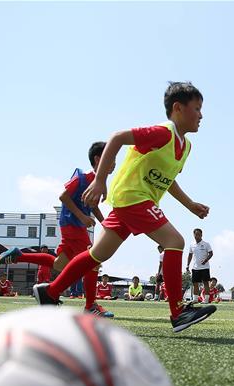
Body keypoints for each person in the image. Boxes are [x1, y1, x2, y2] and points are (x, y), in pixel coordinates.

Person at [32, 81, 216, 333]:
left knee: (97, 254)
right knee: (175, 241)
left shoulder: (185, 147)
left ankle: (50, 293)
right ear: (178, 108)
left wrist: (190, 204)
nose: (201, 115)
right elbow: (117, 138)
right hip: (133, 197)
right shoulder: (163, 133)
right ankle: (178, 312)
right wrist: (99, 181)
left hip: (130, 202)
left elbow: (169, 179)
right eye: (197, 108)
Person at [0, 142, 114, 318]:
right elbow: (63, 196)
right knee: (93, 261)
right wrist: (82, 217)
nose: (114, 164)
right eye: (111, 158)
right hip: (72, 225)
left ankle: (19, 255)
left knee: (60, 264)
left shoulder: (96, 182)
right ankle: (90, 305)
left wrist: (106, 223)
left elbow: (93, 206)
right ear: (98, 159)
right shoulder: (85, 178)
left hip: (72, 226)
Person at [186, 228, 213, 301]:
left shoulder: (206, 244)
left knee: (205, 283)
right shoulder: (192, 245)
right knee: (195, 283)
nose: (196, 236)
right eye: (195, 234)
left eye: (198, 234)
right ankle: (195, 299)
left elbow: (211, 253)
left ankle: (206, 300)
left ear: (201, 235)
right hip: (195, 267)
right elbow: (190, 255)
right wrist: (187, 265)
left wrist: (206, 260)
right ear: (193, 235)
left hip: (205, 267)